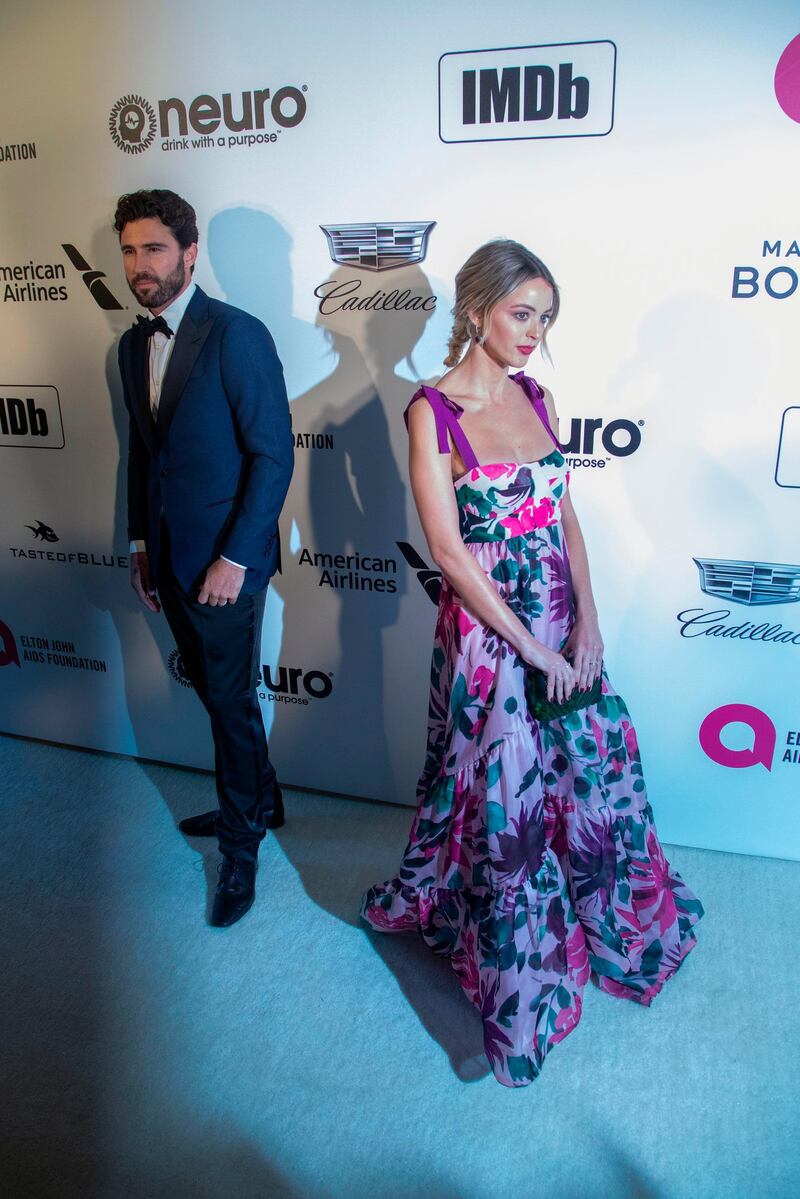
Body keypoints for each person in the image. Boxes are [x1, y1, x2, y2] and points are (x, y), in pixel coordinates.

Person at [361, 240, 703, 1087]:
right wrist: (531, 645)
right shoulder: (431, 412)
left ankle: (597, 921)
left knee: (589, 774)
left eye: (546, 318)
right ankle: (522, 987)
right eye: (522, 313)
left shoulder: (537, 395)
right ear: (475, 309)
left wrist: (584, 623)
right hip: (490, 638)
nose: (534, 333)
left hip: (557, 615)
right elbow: (448, 548)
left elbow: (564, 520)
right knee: (505, 802)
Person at [115, 189, 293, 927]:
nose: (139, 265)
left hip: (226, 564)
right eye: (128, 251)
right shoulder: (132, 345)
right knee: (220, 698)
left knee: (226, 702)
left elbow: (272, 456)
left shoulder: (236, 334)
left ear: (190, 254)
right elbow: (143, 456)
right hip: (169, 556)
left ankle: (240, 845)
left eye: (153, 248)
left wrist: (236, 559)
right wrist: (140, 543)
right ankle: (264, 797)